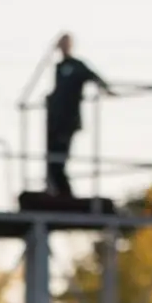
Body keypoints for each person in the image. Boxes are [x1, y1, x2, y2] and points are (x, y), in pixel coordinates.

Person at [42, 33, 110, 200]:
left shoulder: (77, 66)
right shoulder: (58, 67)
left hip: (68, 121)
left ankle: (65, 194)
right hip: (54, 122)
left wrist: (107, 89)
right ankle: (56, 191)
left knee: (59, 160)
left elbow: (94, 77)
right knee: (51, 161)